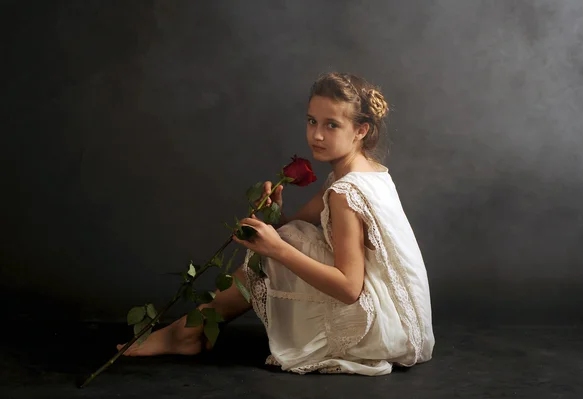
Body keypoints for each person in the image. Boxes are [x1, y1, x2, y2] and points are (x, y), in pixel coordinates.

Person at [117, 72, 435, 375]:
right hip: (406, 323)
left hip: (377, 325)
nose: (317, 135)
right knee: (286, 237)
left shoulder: (345, 192)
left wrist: (277, 249)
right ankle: (189, 330)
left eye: (332, 125)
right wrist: (276, 215)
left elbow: (350, 288)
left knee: (282, 246)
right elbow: (293, 228)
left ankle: (186, 333)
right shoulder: (366, 170)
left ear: (361, 130)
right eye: (312, 121)